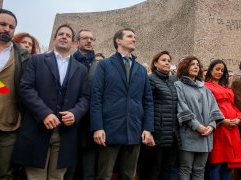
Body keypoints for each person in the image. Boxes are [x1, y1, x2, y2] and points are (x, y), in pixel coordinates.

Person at [12, 24, 90, 180]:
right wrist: (44, 113)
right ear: (54, 39)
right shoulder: (36, 60)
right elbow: (26, 88)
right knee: (35, 177)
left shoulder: (81, 69)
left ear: (74, 43)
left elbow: (85, 97)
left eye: (68, 35)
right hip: (37, 128)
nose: (64, 36)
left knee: (57, 177)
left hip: (65, 133)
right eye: (60, 34)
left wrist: (75, 113)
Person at [90, 28, 155, 180]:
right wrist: (97, 127)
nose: (134, 39)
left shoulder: (141, 69)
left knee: (129, 175)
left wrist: (147, 128)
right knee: (104, 175)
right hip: (109, 129)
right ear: (118, 41)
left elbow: (147, 101)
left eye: (135, 37)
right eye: (130, 36)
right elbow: (96, 97)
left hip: (134, 129)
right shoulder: (105, 65)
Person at [0, 9, 30, 180]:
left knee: (5, 175)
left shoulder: (23, 57)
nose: (7, 29)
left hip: (8, 125)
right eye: (3, 24)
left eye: (11, 27)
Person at [174, 56, 224, 180]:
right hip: (188, 134)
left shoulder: (204, 88)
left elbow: (215, 110)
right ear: (185, 67)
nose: (196, 67)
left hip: (206, 135)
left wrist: (211, 127)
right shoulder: (178, 85)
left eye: (197, 65)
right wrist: (196, 126)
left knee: (200, 169)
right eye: (192, 64)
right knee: (186, 168)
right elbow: (182, 107)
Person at [140, 51, 178, 180]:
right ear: (155, 63)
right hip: (156, 133)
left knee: (166, 170)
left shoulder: (173, 82)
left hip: (171, 135)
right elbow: (146, 105)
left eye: (169, 60)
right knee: (153, 171)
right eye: (163, 60)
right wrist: (148, 130)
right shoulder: (150, 79)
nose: (167, 62)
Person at [204, 59, 241, 180]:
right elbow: (207, 107)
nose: (220, 72)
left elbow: (234, 105)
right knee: (217, 163)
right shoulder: (205, 86)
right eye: (217, 69)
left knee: (228, 164)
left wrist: (239, 118)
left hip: (233, 128)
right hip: (218, 128)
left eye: (222, 70)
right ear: (210, 70)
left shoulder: (227, 88)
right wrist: (222, 120)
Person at [70, 29, 98, 180]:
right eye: (85, 38)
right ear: (76, 42)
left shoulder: (100, 65)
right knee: (69, 169)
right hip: (70, 121)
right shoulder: (67, 61)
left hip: (90, 123)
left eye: (92, 39)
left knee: (88, 172)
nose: (89, 41)